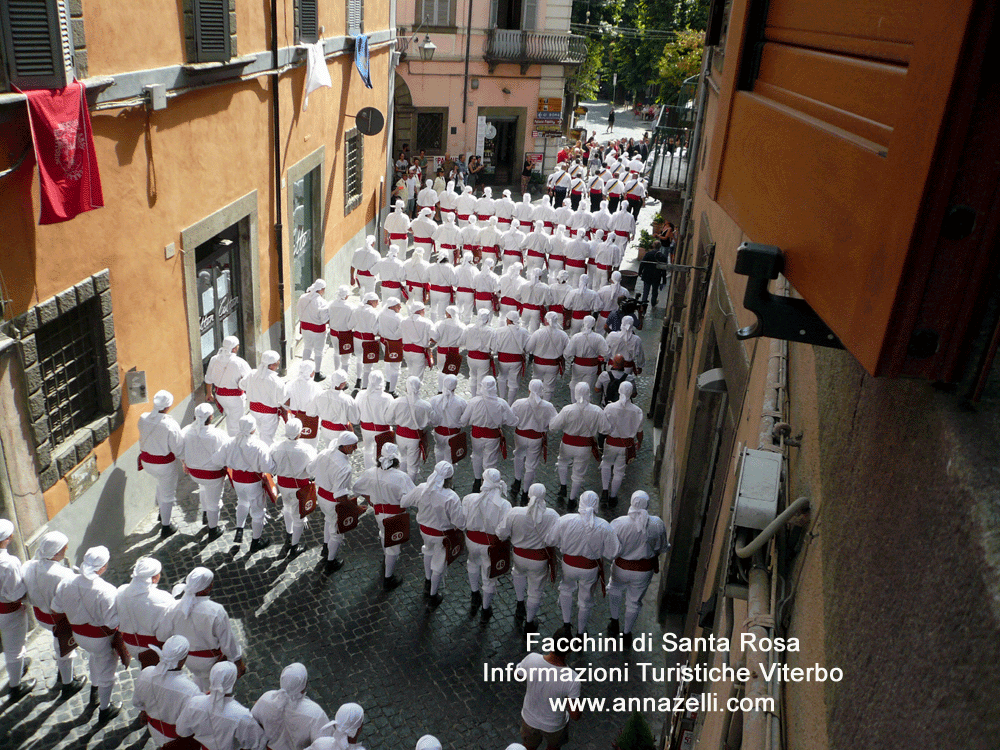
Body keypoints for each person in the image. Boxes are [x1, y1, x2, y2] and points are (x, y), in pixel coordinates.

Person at [51, 545, 124, 719]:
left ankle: (95, 688)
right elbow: (113, 622)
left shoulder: (67, 581)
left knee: (93, 656)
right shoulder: (107, 591)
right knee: (108, 674)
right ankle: (105, 710)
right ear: (103, 567)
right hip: (101, 640)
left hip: (78, 636)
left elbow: (55, 609)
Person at [157, 567, 245, 691]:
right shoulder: (216, 611)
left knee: (200, 680)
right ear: (208, 588)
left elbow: (162, 635)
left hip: (187, 660)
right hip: (211, 660)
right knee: (216, 686)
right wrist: (237, 661)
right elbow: (228, 642)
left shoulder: (173, 608)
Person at [21, 530, 86, 697]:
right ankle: (67, 683)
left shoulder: (29, 565)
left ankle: (63, 672)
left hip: (40, 615)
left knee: (59, 644)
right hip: (59, 619)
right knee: (66, 650)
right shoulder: (64, 575)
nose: (67, 548)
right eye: (64, 547)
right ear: (57, 551)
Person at [551, 490, 620, 635]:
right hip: (590, 569)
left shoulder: (565, 520)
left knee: (566, 589)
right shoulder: (604, 526)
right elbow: (612, 552)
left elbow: (551, 540)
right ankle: (581, 633)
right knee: (585, 601)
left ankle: (566, 625)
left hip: (568, 565)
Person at [400, 461, 466, 608]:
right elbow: (460, 523)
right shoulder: (452, 497)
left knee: (427, 551)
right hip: (442, 536)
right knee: (438, 565)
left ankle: (427, 580)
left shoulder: (422, 488)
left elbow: (404, 501)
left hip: (424, 531)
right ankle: (433, 595)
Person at [496, 483, 559, 633]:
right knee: (535, 591)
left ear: (529, 494)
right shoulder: (553, 515)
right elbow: (556, 539)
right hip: (539, 559)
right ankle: (529, 622)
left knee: (517, 574)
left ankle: (519, 603)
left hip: (519, 556)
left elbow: (501, 533)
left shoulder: (515, 512)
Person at [352, 443, 416, 590]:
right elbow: (413, 498)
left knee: (383, 533)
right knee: (394, 547)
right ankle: (388, 578)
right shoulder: (401, 477)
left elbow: (356, 488)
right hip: (396, 515)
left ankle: (386, 556)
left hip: (378, 513)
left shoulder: (370, 473)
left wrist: (369, 499)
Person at [607, 490, 668, 638]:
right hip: (644, 570)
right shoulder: (657, 524)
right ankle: (627, 633)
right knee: (634, 602)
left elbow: (610, 547)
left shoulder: (618, 523)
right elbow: (663, 547)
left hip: (621, 567)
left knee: (614, 590)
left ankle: (614, 621)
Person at [214, 415, 274, 552]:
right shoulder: (259, 445)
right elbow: (268, 468)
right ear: (254, 429)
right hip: (254, 481)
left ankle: (239, 529)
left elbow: (217, 459)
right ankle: (255, 541)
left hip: (237, 480)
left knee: (242, 502)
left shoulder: (229, 442)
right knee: (258, 512)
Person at [175, 662, 265, 750]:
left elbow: (182, 731)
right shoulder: (242, 715)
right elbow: (257, 744)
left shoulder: (193, 703)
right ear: (232, 683)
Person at [462, 468, 512, 622]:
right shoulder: (504, 505)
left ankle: (474, 593)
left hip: (471, 541)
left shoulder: (469, 498)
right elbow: (504, 531)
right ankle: (485, 610)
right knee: (489, 576)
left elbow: (462, 520)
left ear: (483, 481)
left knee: (472, 563)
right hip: (491, 546)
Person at [134, 635, 202, 747]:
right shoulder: (191, 690)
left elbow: (137, 703)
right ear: (182, 661)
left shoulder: (146, 673)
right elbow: (192, 725)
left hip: (154, 729)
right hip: (175, 739)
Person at [550, 382, 611, 509]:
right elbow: (605, 429)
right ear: (589, 393)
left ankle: (563, 486)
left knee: (562, 462)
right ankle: (572, 499)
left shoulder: (567, 409)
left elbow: (553, 426)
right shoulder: (597, 411)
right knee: (578, 474)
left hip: (567, 444)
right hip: (584, 447)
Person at [517, 636, 582, 750]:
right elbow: (575, 716)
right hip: (554, 725)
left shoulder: (532, 658)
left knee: (528, 747)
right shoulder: (573, 679)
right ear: (570, 650)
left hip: (529, 719)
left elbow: (518, 674)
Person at [311, 431, 360, 574]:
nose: (356, 448)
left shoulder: (325, 453)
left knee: (328, 520)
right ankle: (331, 562)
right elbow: (340, 496)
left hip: (321, 495)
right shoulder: (345, 467)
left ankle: (326, 547)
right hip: (333, 502)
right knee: (336, 533)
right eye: (353, 446)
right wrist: (355, 509)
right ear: (344, 446)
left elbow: (310, 469)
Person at [252, 662, 329, 750]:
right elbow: (324, 744)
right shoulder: (315, 714)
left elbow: (252, 724)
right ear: (303, 686)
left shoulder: (266, 698)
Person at [139, 389, 183, 537]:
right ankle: (166, 526)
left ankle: (161, 512)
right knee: (168, 494)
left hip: (146, 462)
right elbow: (177, 449)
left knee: (160, 485)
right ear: (168, 406)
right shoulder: (170, 425)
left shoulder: (143, 418)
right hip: (164, 465)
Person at [461, 375, 517, 491]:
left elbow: (463, 421)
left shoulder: (473, 402)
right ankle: (487, 483)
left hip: (476, 434)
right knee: (490, 461)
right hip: (493, 436)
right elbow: (512, 421)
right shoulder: (501, 403)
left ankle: (476, 481)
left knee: (476, 456)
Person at [115, 557, 174, 668]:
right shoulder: (163, 598)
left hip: (130, 645)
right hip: (154, 647)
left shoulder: (121, 591)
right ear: (155, 578)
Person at [272, 418, 318, 558]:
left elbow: (271, 466)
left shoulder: (276, 447)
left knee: (286, 507)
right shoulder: (307, 449)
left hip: (283, 485)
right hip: (300, 486)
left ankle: (289, 533)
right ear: (300, 432)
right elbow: (312, 471)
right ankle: (294, 546)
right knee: (298, 517)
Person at [0, 519, 33, 700]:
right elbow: (15, 594)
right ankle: (16, 686)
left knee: (12, 645)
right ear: (9, 538)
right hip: (8, 611)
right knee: (14, 650)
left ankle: (19, 666)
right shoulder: (9, 563)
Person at [510, 379, 558, 503]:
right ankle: (526, 492)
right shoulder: (548, 406)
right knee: (531, 466)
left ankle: (517, 482)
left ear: (529, 390)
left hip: (520, 435)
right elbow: (554, 424)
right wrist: (546, 428)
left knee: (518, 456)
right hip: (536, 438)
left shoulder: (518, 403)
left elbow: (511, 419)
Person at [600, 381, 644, 508]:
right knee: (619, 472)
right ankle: (613, 496)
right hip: (626, 445)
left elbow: (603, 427)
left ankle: (604, 490)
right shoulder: (637, 411)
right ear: (631, 393)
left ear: (619, 391)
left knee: (606, 464)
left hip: (611, 443)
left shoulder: (609, 408)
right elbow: (640, 432)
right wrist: (639, 442)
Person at [205, 336, 252, 436]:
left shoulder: (214, 359)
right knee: (236, 423)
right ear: (234, 348)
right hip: (235, 398)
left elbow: (208, 378)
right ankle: (235, 443)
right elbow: (250, 379)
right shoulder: (240, 362)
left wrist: (209, 393)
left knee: (230, 417)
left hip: (220, 396)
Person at [392, 376, 435, 481]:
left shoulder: (397, 402)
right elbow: (433, 421)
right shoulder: (426, 406)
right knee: (413, 467)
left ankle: (400, 483)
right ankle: (409, 489)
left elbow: (388, 418)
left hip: (400, 435)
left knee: (402, 458)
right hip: (415, 437)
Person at [241, 350, 287, 446]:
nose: (278, 363)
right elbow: (283, 399)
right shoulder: (277, 381)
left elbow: (242, 385)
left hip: (253, 410)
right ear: (272, 365)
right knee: (267, 438)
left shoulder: (252, 374)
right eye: (277, 362)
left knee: (259, 432)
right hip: (268, 413)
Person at [355, 370, 396, 469]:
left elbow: (356, 410)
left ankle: (368, 470)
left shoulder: (361, 394)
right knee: (384, 452)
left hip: (366, 429)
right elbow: (392, 417)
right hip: (383, 429)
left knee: (367, 449)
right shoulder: (388, 398)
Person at [525, 310, 569, 401]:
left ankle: (533, 402)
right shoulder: (563, 335)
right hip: (553, 365)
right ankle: (546, 404)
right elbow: (568, 352)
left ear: (546, 320)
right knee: (548, 388)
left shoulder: (538, 333)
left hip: (538, 364)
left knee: (535, 384)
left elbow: (528, 348)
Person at [312, 370, 359, 450]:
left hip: (325, 428)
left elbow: (311, 412)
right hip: (340, 431)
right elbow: (356, 420)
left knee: (328, 449)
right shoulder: (348, 400)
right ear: (343, 384)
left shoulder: (320, 394)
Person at [429, 373, 468, 464]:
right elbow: (465, 419)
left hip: (438, 433)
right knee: (450, 457)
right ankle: (448, 475)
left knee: (439, 450)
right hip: (454, 434)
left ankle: (438, 469)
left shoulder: (433, 400)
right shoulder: (461, 402)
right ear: (455, 387)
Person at [564, 315, 609, 393]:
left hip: (578, 366)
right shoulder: (599, 338)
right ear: (593, 324)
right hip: (592, 366)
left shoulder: (576, 337)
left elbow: (567, 353)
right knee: (588, 387)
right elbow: (606, 353)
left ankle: (575, 403)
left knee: (574, 385)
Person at [494, 310, 530, 404]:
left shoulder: (500, 331)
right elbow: (528, 347)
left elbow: (495, 346)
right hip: (517, 360)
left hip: (503, 359)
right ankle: (510, 403)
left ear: (509, 320)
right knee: (513, 382)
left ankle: (501, 399)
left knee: (502, 378)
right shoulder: (524, 331)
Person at [298, 279, 330, 380]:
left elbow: (299, 311)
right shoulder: (322, 302)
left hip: (305, 327)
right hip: (317, 330)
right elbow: (324, 319)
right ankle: (317, 373)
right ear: (321, 290)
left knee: (307, 348)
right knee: (318, 351)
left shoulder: (302, 297)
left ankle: (303, 371)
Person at [349, 292, 381, 390]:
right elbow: (375, 330)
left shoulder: (356, 310)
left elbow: (349, 326)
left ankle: (358, 380)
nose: (378, 304)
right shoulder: (374, 313)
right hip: (369, 340)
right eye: (376, 301)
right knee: (368, 366)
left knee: (359, 359)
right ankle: (365, 386)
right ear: (371, 302)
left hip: (357, 338)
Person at [463, 308, 496, 398]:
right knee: (481, 381)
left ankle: (473, 397)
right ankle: (478, 399)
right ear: (488, 319)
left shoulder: (469, 328)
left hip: (471, 357)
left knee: (473, 377)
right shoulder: (491, 331)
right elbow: (495, 348)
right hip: (483, 359)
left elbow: (462, 341)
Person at [400, 301, 436, 382]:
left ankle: (408, 390)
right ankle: (413, 393)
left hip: (406, 351)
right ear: (421, 310)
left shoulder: (403, 320)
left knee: (411, 372)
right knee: (418, 376)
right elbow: (434, 337)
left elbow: (399, 334)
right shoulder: (427, 322)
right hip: (418, 352)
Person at [376, 296, 404, 394]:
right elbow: (400, 332)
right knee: (396, 367)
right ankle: (392, 390)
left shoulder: (382, 314)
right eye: (398, 306)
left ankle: (388, 382)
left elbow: (376, 327)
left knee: (387, 361)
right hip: (394, 343)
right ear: (392, 307)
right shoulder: (398, 317)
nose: (400, 307)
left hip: (384, 341)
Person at [327, 285, 355, 375]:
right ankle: (344, 375)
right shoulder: (351, 307)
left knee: (336, 352)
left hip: (334, 332)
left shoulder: (331, 304)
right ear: (346, 296)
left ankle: (336, 372)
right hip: (345, 333)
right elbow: (351, 323)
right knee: (346, 357)